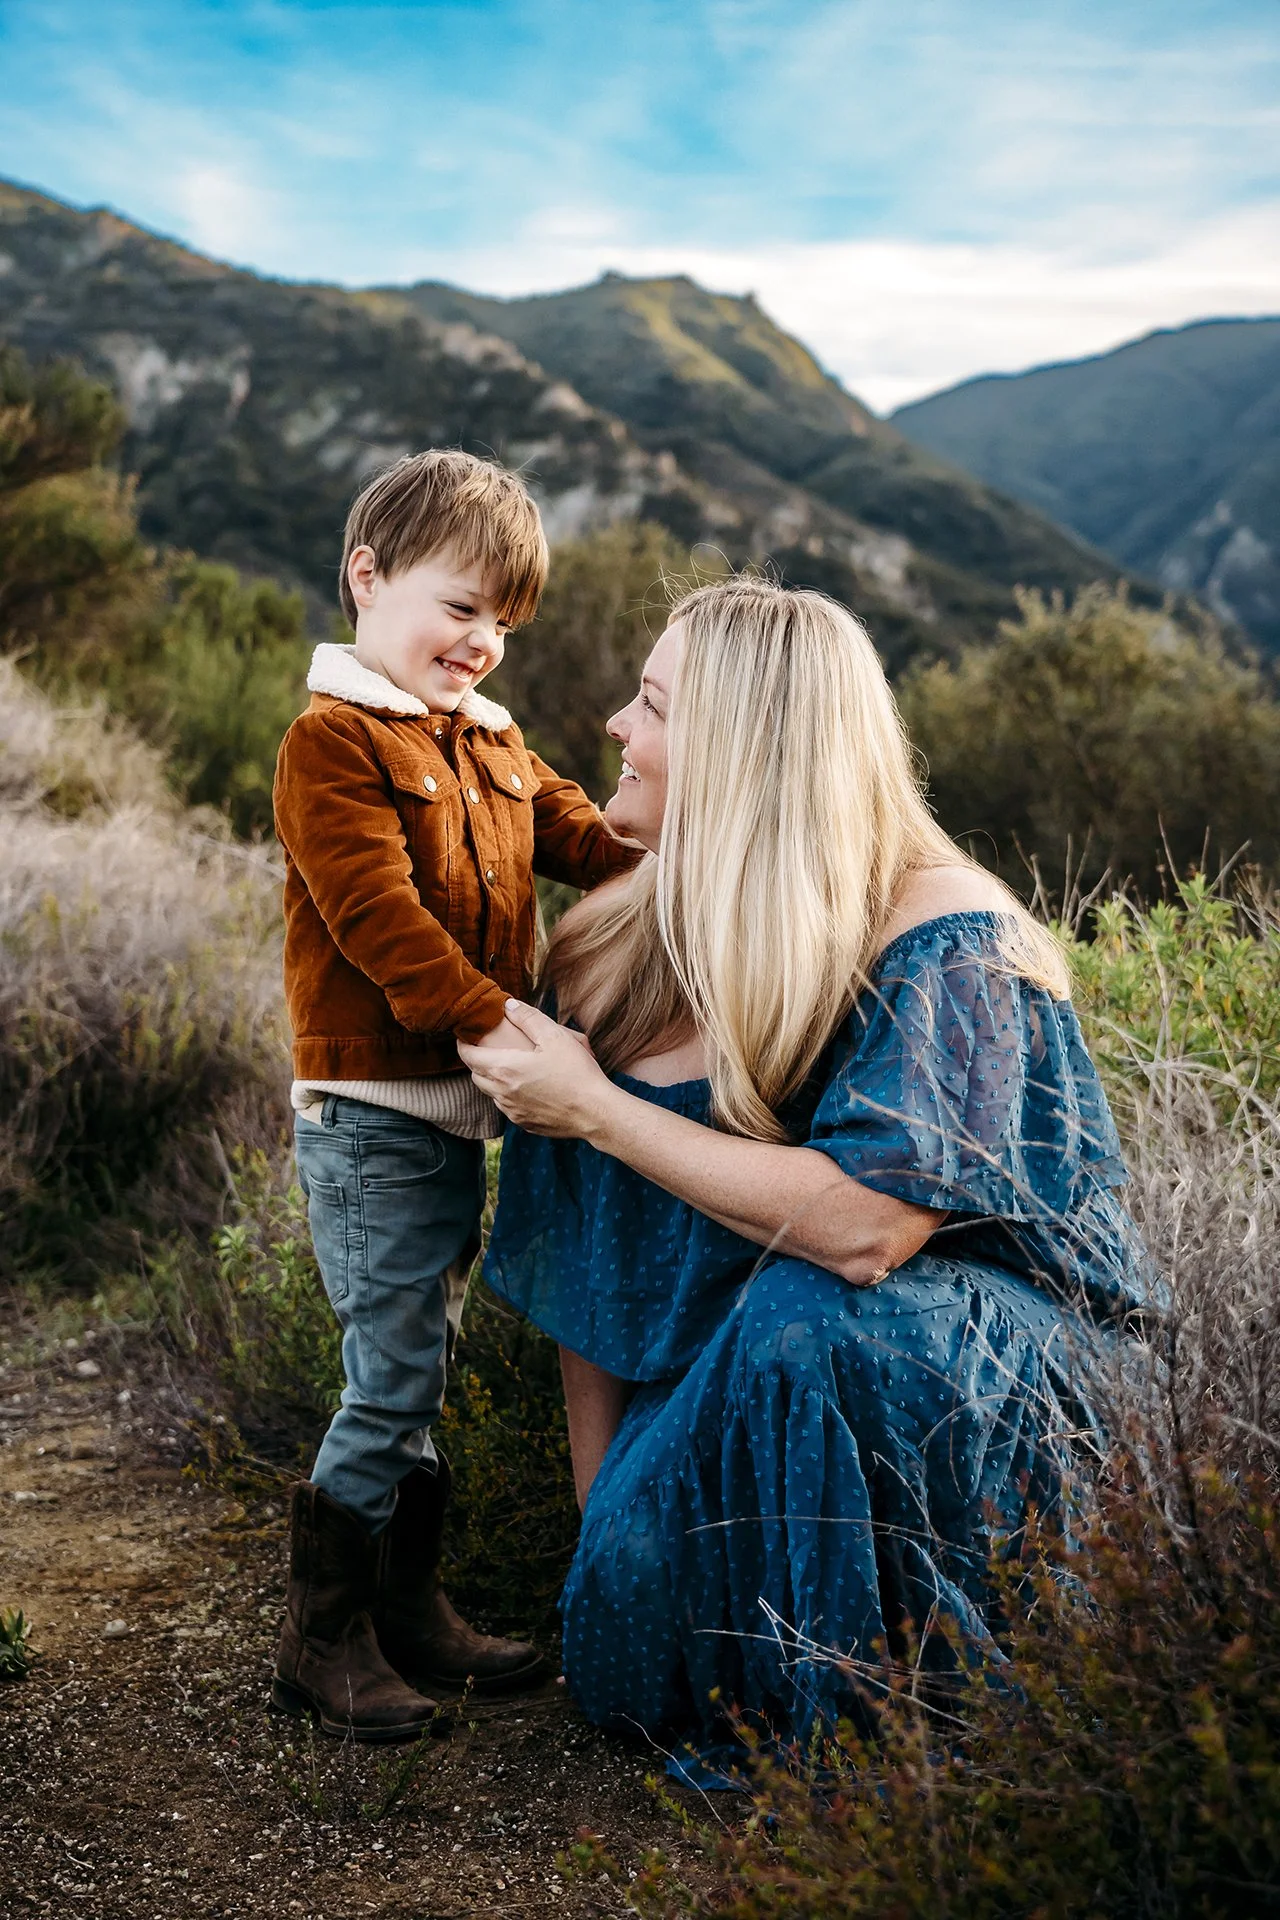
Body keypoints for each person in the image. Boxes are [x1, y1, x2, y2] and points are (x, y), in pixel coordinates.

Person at [461, 576, 1146, 1782]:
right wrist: (605, 1527)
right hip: (735, 1428)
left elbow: (870, 1229)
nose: (616, 726)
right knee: (628, 1601)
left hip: (990, 1400)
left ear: (741, 750)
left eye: (653, 704)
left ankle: (919, 1742)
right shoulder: (609, 952)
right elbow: (595, 1284)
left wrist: (602, 1111)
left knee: (809, 1318)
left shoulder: (944, 933)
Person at [270, 450, 638, 1742]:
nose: (481, 643)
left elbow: (591, 844)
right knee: (391, 1376)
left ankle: (408, 1613)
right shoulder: (334, 741)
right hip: (374, 1113)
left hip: (445, 1114)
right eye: (458, 606)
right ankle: (324, 1645)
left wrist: (729, 836)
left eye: (501, 621)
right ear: (367, 577)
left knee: (414, 1364)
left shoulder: (493, 742)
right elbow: (379, 922)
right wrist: (506, 1029)